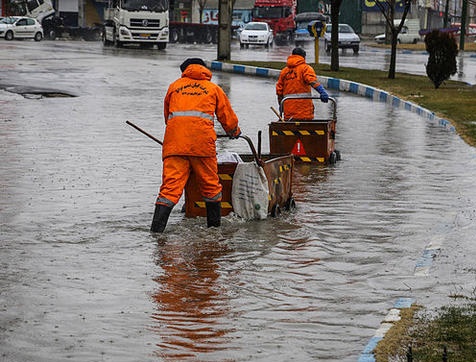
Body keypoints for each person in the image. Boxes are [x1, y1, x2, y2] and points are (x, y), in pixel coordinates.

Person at [151, 58, 241, 233]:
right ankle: (214, 231)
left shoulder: (174, 87)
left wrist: (178, 136)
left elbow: (168, 118)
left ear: (185, 71)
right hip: (202, 146)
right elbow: (227, 118)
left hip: (175, 145)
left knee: (170, 189)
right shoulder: (213, 89)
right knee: (210, 186)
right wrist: (234, 132)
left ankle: (156, 233)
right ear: (203, 69)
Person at [276, 47, 329, 120]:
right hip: (304, 112)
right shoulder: (305, 68)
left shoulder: (284, 72)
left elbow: (279, 91)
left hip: (289, 112)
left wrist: (281, 105)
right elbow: (312, 81)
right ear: (303, 57)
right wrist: (322, 91)